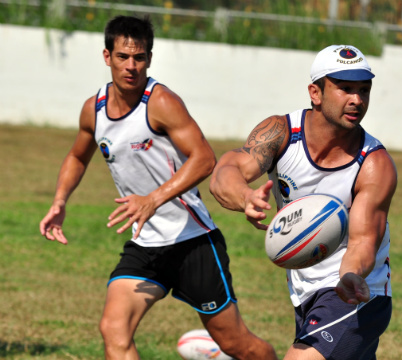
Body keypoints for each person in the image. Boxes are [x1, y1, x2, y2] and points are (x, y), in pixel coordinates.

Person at [38, 15, 277, 360]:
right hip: (145, 244)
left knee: (236, 344)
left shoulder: (160, 102)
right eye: (122, 57)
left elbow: (205, 158)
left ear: (149, 58)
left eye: (139, 57)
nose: (131, 66)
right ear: (107, 56)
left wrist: (153, 199)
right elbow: (77, 157)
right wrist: (60, 201)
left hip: (192, 241)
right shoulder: (95, 110)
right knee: (113, 330)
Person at [209, 44, 397, 360]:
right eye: (345, 88)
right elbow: (225, 171)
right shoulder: (281, 133)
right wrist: (246, 197)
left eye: (364, 89)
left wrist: (351, 275)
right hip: (306, 291)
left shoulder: (374, 164)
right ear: (316, 92)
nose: (357, 99)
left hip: (356, 294)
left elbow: (363, 242)